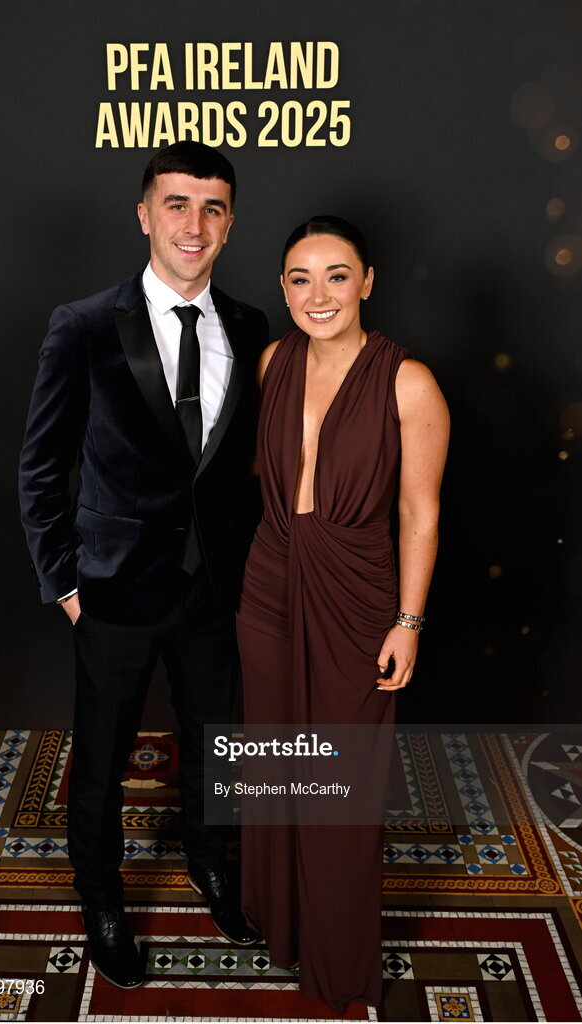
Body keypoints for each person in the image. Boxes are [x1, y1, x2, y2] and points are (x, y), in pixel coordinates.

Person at [19, 141, 267, 989]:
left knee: (215, 747)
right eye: (176, 204)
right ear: (143, 213)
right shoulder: (84, 324)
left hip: (214, 592)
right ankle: (104, 901)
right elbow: (42, 465)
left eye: (211, 208)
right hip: (114, 589)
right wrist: (65, 583)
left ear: (229, 224)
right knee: (101, 762)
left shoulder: (251, 326)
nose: (192, 225)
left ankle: (214, 866)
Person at [236, 215, 449, 1011]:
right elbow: (262, 474)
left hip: (357, 595)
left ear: (367, 281)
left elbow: (419, 514)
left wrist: (408, 620)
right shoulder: (270, 362)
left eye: (335, 275)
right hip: (267, 582)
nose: (316, 293)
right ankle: (278, 922)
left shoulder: (408, 381)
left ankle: (335, 960)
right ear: (283, 288)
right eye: (299, 277)